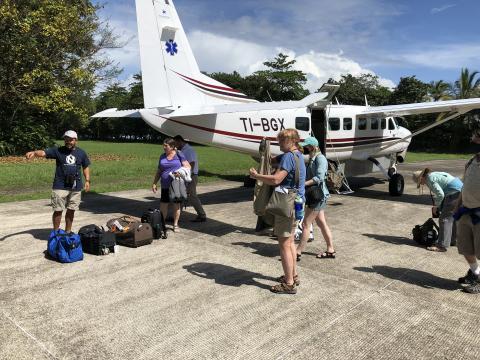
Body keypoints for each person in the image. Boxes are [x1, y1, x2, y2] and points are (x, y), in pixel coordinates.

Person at [249, 129, 306, 294]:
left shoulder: (289, 157)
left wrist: (256, 176)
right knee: (290, 243)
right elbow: (272, 160)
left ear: (292, 141)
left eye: (282, 141)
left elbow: (276, 179)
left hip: (286, 205)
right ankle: (293, 275)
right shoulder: (298, 155)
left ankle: (288, 283)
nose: (279, 144)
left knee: (284, 244)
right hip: (297, 204)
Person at [25, 130, 90, 233]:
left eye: (70, 139)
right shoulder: (58, 151)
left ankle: (68, 232)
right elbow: (43, 152)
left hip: (76, 186)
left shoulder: (81, 153)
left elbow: (85, 166)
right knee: (58, 210)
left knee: (71, 210)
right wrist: (34, 153)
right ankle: (56, 233)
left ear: (76, 140)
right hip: (60, 185)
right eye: (66, 139)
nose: (68, 141)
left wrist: (87, 180)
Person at [295, 137, 334, 260]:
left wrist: (304, 184)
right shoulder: (312, 158)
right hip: (314, 195)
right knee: (321, 223)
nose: (305, 148)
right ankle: (330, 249)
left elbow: (319, 178)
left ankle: (297, 252)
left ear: (313, 147)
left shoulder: (320, 159)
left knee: (306, 224)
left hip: (318, 196)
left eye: (307, 146)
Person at [412, 167, 463, 252]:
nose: (422, 184)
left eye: (420, 182)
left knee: (444, 219)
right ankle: (453, 240)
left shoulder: (430, 179)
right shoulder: (433, 175)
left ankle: (441, 246)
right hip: (461, 191)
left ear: (421, 178)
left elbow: (440, 194)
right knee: (453, 218)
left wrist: (436, 206)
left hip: (454, 193)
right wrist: (440, 206)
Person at [455, 128, 480, 294]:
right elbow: (464, 187)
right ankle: (476, 273)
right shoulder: (471, 161)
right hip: (465, 212)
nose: (471, 139)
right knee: (465, 248)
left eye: (475, 136)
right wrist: (457, 207)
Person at [152, 138, 191, 232]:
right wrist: (154, 183)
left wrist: (180, 172)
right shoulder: (162, 156)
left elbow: (188, 166)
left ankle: (175, 224)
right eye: (163, 145)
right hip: (164, 185)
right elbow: (159, 171)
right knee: (163, 205)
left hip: (176, 185)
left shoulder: (179, 154)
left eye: (166, 145)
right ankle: (162, 224)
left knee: (176, 206)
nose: (164, 147)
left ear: (172, 147)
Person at [173, 135, 206, 222]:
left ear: (180, 141)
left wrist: (187, 178)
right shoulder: (182, 150)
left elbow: (192, 164)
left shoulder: (189, 150)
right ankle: (176, 216)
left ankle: (202, 215)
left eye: (175, 143)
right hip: (184, 175)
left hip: (190, 176)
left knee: (192, 196)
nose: (175, 146)